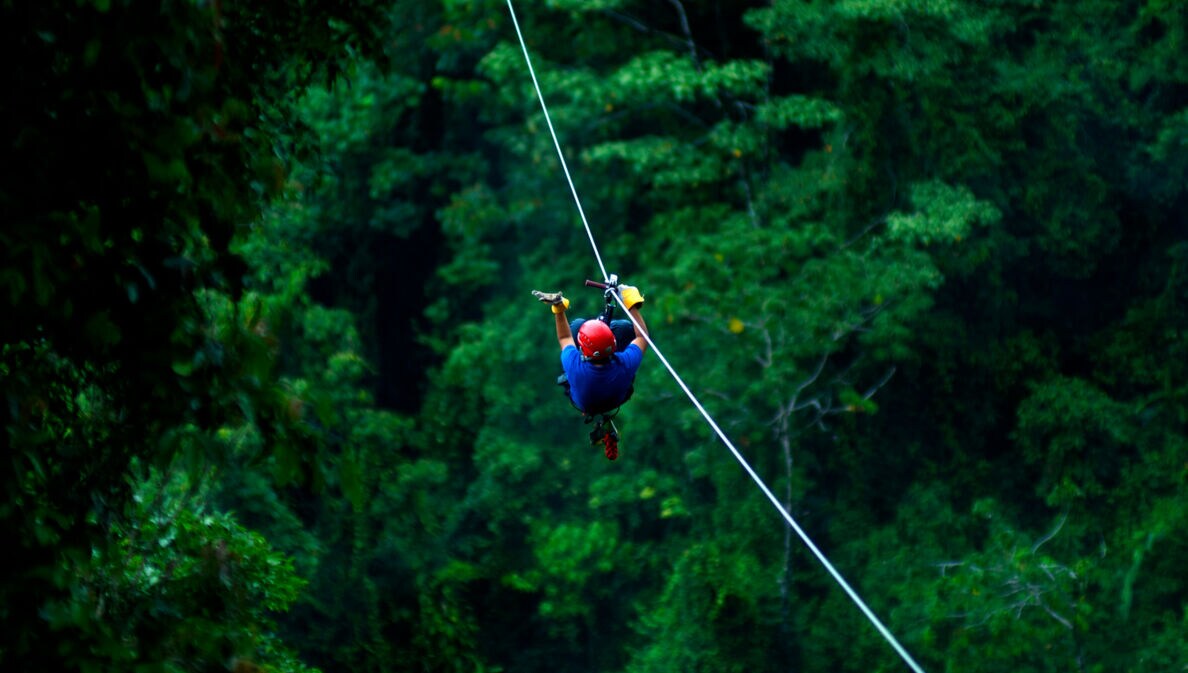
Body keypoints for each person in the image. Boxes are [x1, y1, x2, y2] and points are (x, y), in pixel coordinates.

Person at [532, 284, 648, 416]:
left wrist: (558, 308)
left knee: (577, 325)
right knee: (625, 328)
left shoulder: (574, 366)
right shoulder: (625, 364)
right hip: (617, 397)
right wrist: (630, 303)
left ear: (583, 350)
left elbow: (565, 337)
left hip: (585, 403)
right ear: (614, 343)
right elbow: (642, 337)